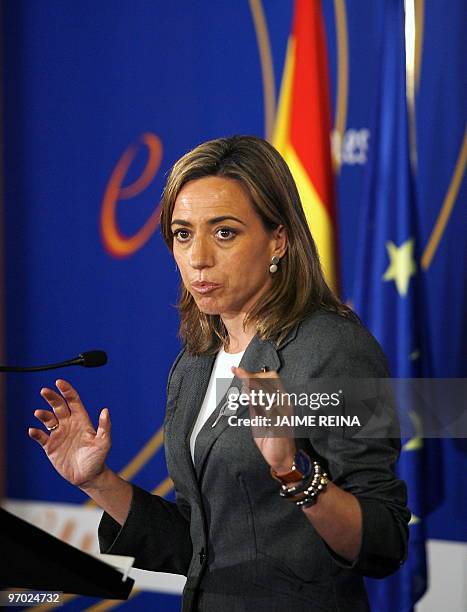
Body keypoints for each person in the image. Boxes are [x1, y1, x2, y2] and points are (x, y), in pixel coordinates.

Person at [29, 135, 410, 612]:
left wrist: (291, 472)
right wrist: (98, 481)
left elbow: (384, 542)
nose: (198, 257)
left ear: (279, 239)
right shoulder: (198, 358)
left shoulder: (335, 351)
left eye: (224, 232)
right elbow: (204, 547)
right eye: (183, 233)